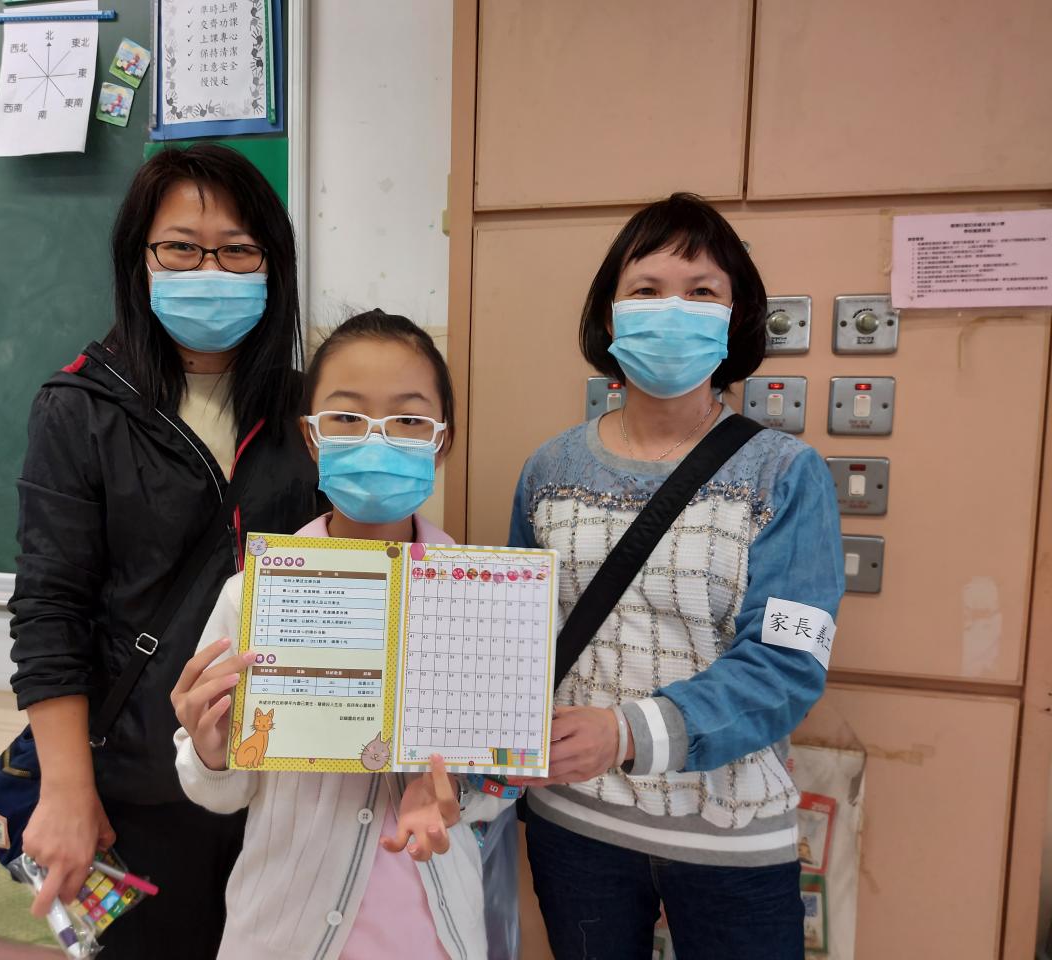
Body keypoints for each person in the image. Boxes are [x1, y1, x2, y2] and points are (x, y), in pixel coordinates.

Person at [509, 193, 844, 959]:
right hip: (575, 825)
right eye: (647, 289)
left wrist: (627, 732)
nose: (673, 309)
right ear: (609, 316)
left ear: (736, 316)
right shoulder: (548, 469)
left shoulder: (786, 474)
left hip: (730, 838)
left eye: (701, 292)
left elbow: (786, 667)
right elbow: (519, 639)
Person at [8, 143, 319, 958]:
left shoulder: (309, 410)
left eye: (237, 249)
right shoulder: (79, 407)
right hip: (141, 792)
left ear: (273, 265)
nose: (209, 270)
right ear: (138, 260)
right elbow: (49, 609)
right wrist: (67, 791)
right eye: (181, 247)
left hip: (277, 785)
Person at [172, 310, 509, 960]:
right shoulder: (254, 595)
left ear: (442, 441)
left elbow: (496, 778)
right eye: (348, 417)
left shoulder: (481, 600)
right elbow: (221, 790)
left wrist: (457, 798)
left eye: (408, 420)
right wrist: (212, 752)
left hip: (433, 934)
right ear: (311, 436)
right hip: (280, 934)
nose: (376, 440)